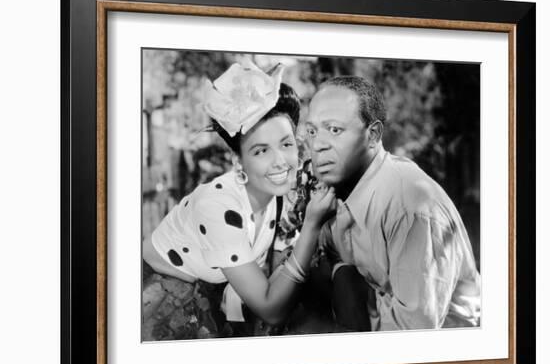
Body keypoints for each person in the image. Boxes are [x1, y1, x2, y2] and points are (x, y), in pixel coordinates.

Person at [143, 61, 336, 327]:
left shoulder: (276, 191)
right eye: (260, 151)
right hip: (159, 302)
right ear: (238, 161)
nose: (280, 161)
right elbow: (272, 310)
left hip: (212, 291)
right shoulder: (218, 206)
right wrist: (312, 225)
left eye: (286, 144)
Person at [305, 76, 481, 330]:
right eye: (312, 131)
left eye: (334, 130)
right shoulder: (340, 193)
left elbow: (415, 331)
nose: (318, 145)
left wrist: (346, 288)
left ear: (373, 134)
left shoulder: (410, 207)